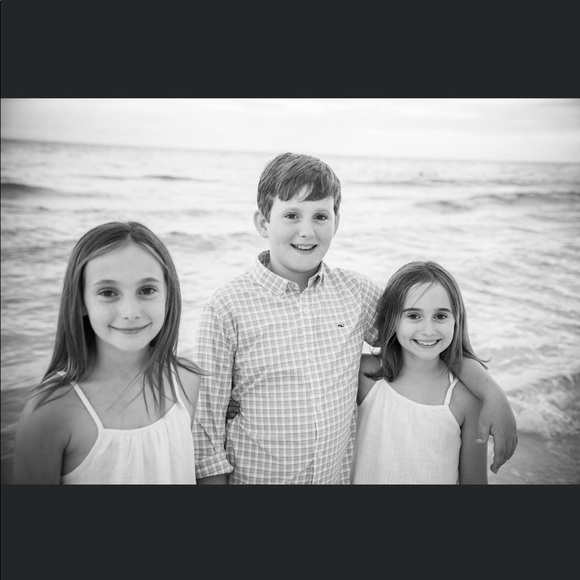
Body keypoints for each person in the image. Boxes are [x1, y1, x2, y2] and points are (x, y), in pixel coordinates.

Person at [193, 152, 517, 485]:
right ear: (263, 223)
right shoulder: (227, 308)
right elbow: (205, 430)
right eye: (291, 215)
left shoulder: (355, 293)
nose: (306, 231)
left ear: (336, 222)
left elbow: (423, 340)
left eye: (321, 216)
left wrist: (493, 395)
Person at [13, 221, 206, 484]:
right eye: (108, 292)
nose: (130, 312)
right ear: (81, 301)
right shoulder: (51, 411)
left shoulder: (189, 381)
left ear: (168, 295)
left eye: (147, 290)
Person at [351, 261, 494, 484]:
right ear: (392, 319)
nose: (428, 330)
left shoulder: (466, 400)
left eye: (440, 316)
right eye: (413, 316)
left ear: (457, 320)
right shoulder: (366, 375)